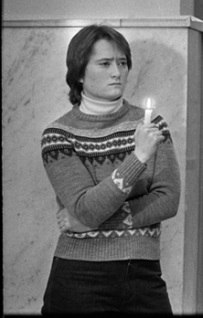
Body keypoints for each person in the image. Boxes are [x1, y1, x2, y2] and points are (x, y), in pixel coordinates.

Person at [40, 24, 181, 314]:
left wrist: (93, 222)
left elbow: (168, 201)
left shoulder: (153, 126)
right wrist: (138, 157)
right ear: (79, 72)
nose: (117, 72)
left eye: (122, 63)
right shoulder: (58, 135)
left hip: (142, 273)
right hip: (79, 277)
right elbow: (87, 208)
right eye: (105, 63)